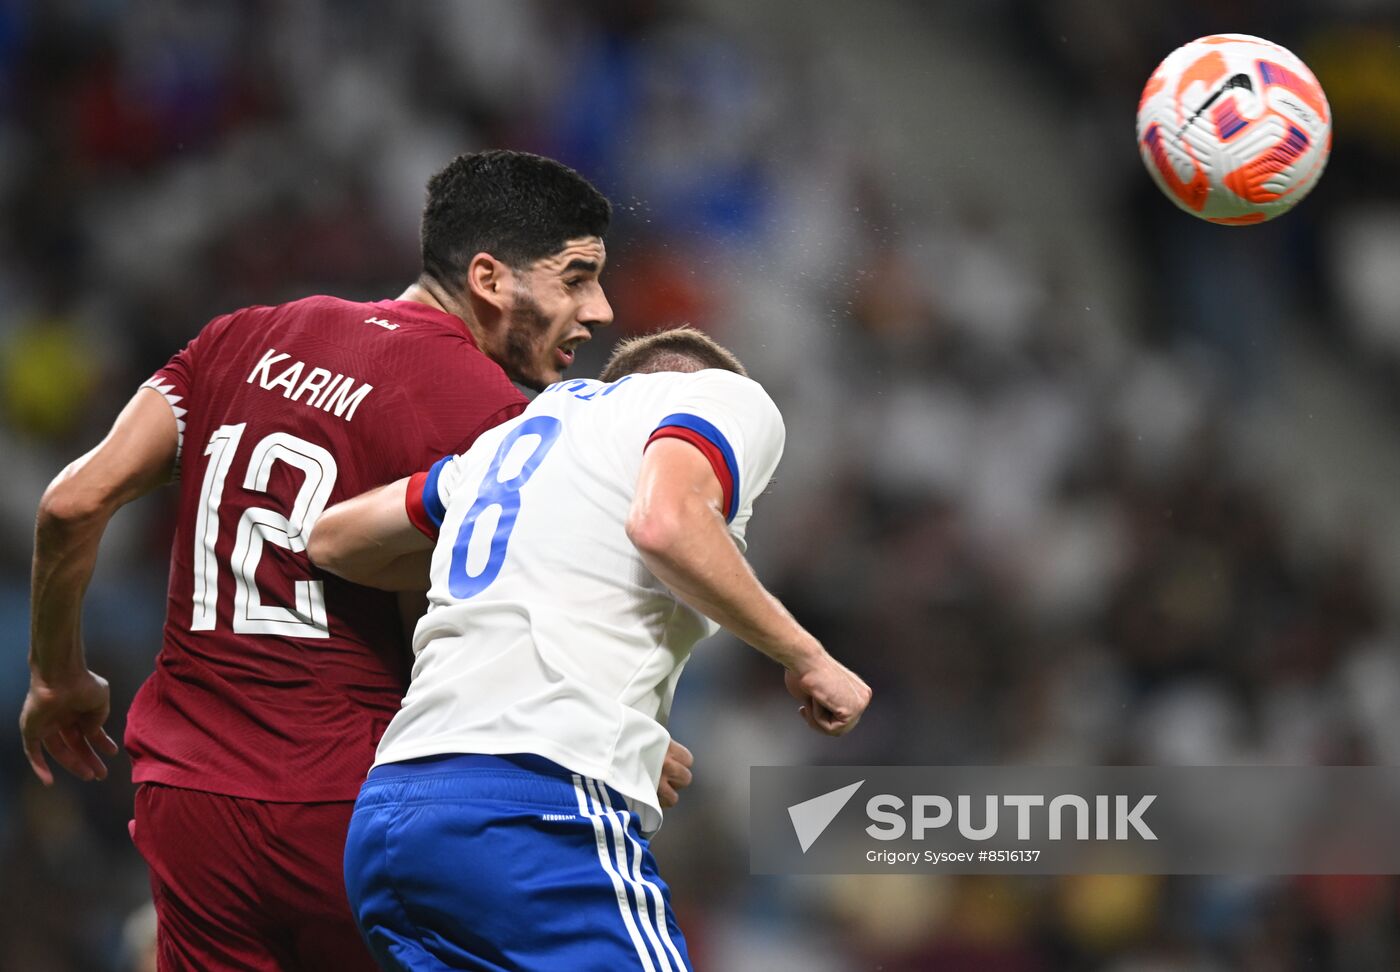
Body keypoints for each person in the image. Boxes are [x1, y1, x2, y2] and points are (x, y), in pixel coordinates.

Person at [22, 149, 689, 971]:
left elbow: (69, 504)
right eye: (577, 277)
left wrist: (58, 678)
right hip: (354, 803)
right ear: (489, 278)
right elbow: (487, 632)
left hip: (187, 795)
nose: (600, 308)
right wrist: (607, 740)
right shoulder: (498, 418)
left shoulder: (238, 338)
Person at [308, 325, 873, 970]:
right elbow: (666, 523)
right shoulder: (726, 397)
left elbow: (334, 540)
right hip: (535, 811)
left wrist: (608, 724)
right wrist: (810, 658)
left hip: (393, 817)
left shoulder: (506, 447)